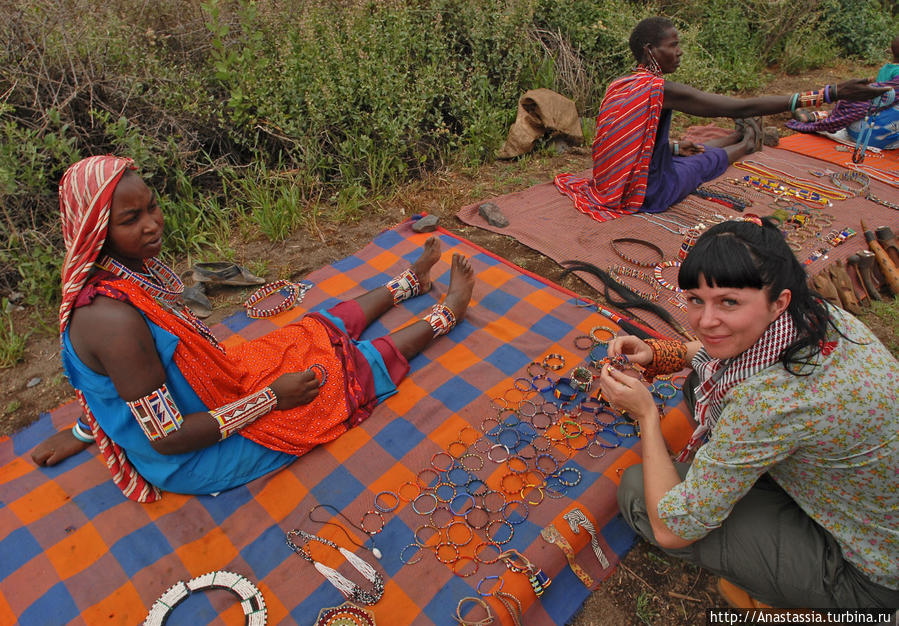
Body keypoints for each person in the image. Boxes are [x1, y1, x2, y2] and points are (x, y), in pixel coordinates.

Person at [31, 155, 475, 502]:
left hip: (216, 389)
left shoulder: (122, 276)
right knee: (342, 374)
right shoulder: (113, 321)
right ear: (96, 231)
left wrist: (81, 433)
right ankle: (446, 314)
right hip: (194, 452)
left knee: (310, 332)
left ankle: (408, 284)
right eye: (131, 220)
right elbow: (167, 438)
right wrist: (272, 399)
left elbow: (111, 391)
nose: (152, 224)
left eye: (152, 207)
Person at [600, 219, 898, 609]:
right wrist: (662, 353)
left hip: (872, 573)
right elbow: (722, 358)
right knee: (701, 382)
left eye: (729, 302)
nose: (705, 322)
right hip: (860, 500)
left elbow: (673, 530)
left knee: (640, 493)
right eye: (694, 299)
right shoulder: (818, 316)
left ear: (778, 301)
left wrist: (646, 417)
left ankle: (811, 602)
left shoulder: (769, 403)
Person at [555, 16, 891, 222]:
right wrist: (830, 93)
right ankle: (747, 143)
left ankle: (733, 138)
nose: (680, 51)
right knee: (703, 162)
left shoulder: (621, 84)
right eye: (674, 45)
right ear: (650, 51)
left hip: (614, 181)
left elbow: (626, 140)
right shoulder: (661, 90)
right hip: (647, 193)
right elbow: (738, 106)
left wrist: (671, 146)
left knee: (689, 150)